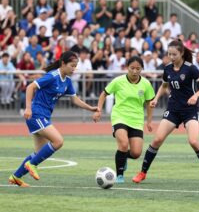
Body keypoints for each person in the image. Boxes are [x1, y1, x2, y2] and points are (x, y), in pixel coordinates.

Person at [132, 40, 199, 185]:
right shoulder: (167, 68)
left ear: (182, 53)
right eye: (169, 54)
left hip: (189, 110)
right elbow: (164, 85)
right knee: (157, 140)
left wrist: (196, 95)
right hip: (173, 109)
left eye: (174, 54)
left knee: (194, 141)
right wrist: (156, 98)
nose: (171, 57)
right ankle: (142, 173)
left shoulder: (190, 68)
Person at [9, 51, 98, 187]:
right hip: (36, 114)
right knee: (58, 141)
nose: (74, 69)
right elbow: (30, 87)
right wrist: (28, 108)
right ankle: (31, 164)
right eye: (72, 66)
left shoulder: (67, 81)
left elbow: (75, 100)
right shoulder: (52, 76)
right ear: (63, 64)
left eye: (76, 66)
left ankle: (16, 177)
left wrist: (90, 108)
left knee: (39, 152)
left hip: (44, 116)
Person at [93, 56, 155, 184]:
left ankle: (123, 156)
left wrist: (149, 121)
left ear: (142, 69)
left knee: (136, 153)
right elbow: (104, 94)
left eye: (138, 68)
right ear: (127, 67)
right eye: (132, 68)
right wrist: (98, 110)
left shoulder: (146, 83)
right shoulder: (118, 81)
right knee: (123, 144)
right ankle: (119, 175)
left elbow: (149, 102)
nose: (135, 71)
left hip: (137, 119)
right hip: (119, 116)